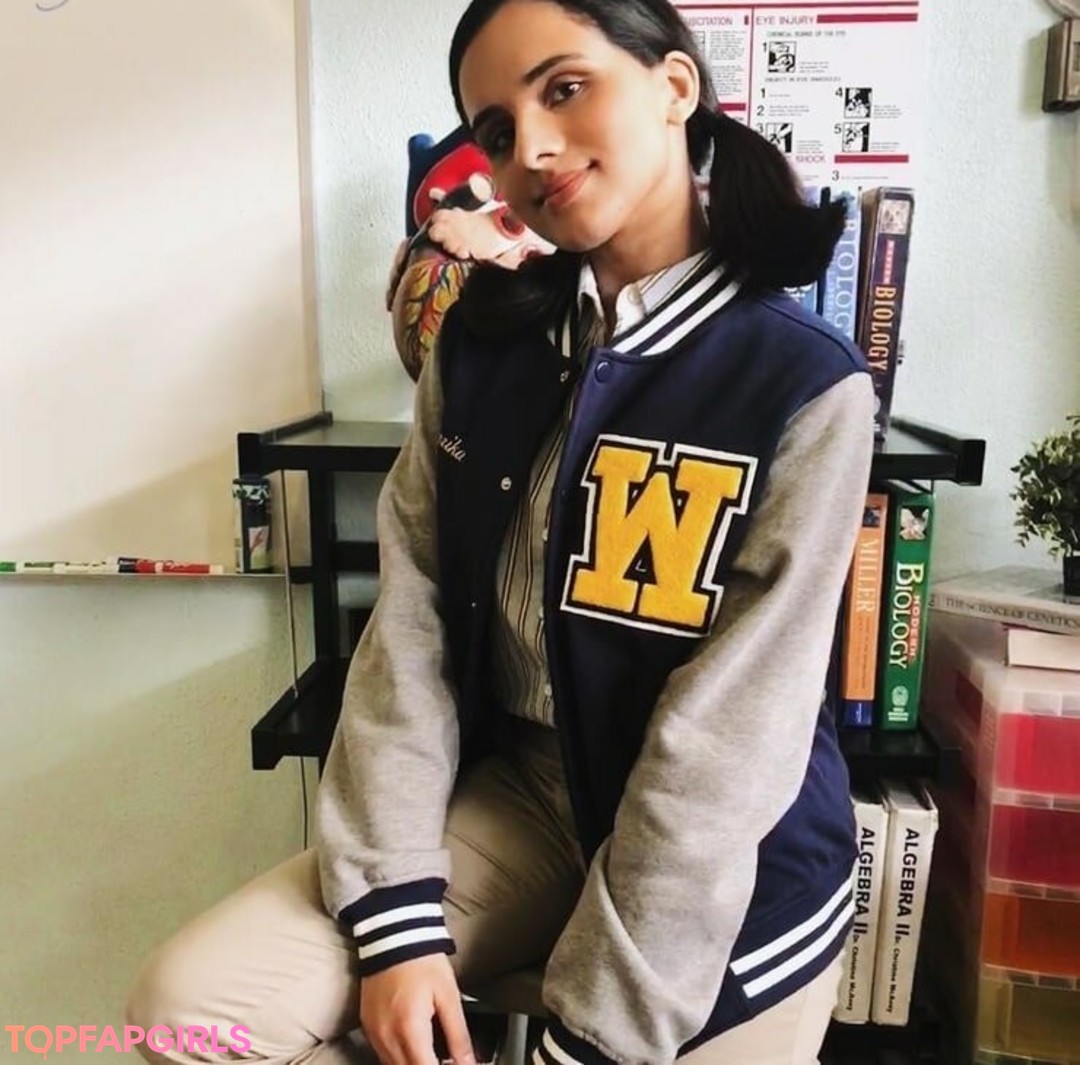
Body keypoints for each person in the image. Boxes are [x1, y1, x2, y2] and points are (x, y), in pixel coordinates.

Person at [125, 2, 875, 1064]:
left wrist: (601, 1030)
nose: (533, 150)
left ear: (674, 88)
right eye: (496, 129)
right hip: (523, 793)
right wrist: (396, 920)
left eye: (565, 89)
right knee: (188, 1010)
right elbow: (412, 628)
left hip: (722, 859)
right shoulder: (480, 346)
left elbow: (730, 739)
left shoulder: (803, 382)